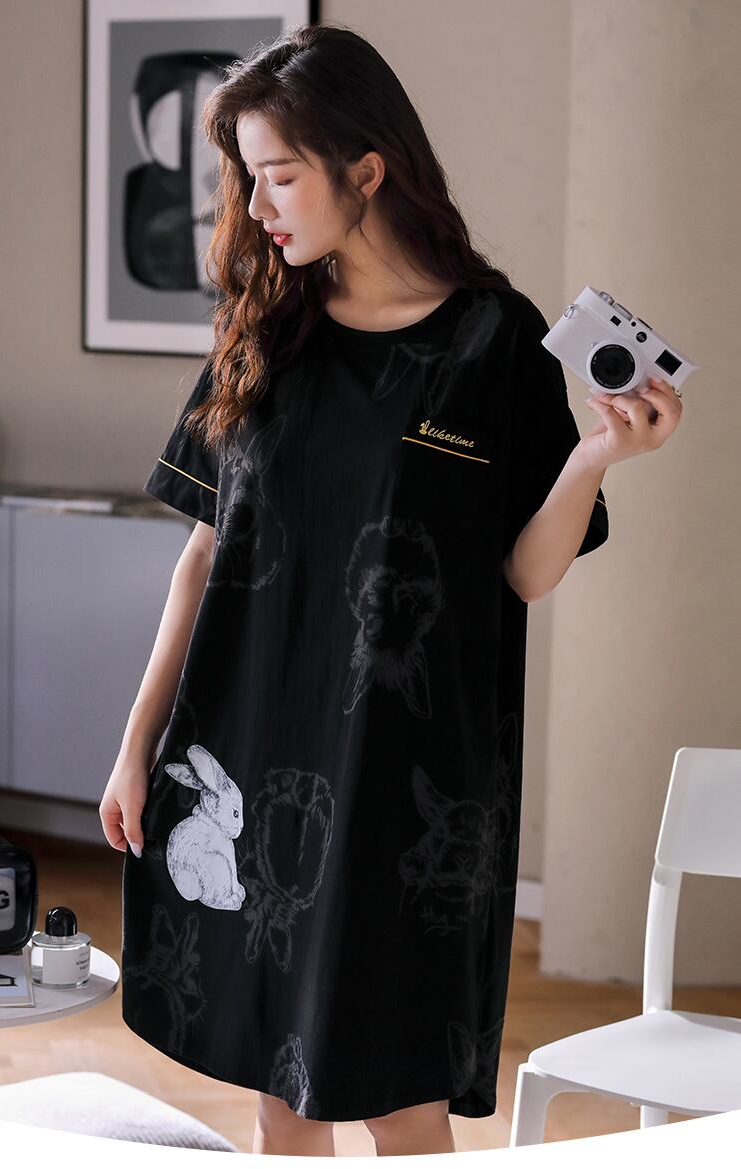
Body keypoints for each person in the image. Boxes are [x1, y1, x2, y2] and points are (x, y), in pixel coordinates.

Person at [99, 23, 683, 1158]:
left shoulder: (494, 340)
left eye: (279, 176)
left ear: (365, 169)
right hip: (248, 747)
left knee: (397, 1094)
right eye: (249, 178)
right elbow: (203, 554)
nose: (257, 206)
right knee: (279, 1085)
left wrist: (597, 456)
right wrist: (136, 745)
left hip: (407, 775)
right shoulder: (262, 329)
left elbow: (524, 573)